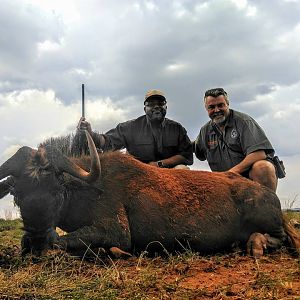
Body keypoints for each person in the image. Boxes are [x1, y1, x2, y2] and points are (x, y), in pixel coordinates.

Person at [75, 89, 193, 169]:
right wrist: (90, 133)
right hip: (139, 175)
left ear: (166, 107)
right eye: (151, 104)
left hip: (170, 173)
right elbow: (107, 142)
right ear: (144, 109)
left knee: (183, 169)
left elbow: (186, 156)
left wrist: (159, 164)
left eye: (160, 103)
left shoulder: (177, 128)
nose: (156, 106)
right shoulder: (130, 127)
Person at [194, 87, 278, 191]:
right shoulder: (205, 130)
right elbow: (192, 149)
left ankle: (268, 206)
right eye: (211, 107)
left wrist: (230, 174)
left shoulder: (243, 121)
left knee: (263, 167)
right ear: (206, 108)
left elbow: (259, 153)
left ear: (227, 104)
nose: (216, 110)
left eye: (220, 105)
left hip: (248, 177)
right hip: (223, 182)